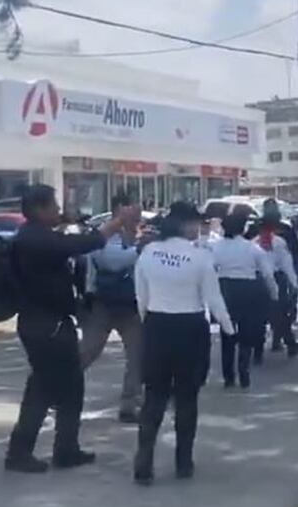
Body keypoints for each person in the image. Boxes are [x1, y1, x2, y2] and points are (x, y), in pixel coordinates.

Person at [5, 185, 133, 474]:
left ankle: (65, 448)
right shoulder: (35, 239)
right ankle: (21, 451)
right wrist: (115, 223)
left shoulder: (34, 236)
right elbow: (82, 245)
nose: (58, 210)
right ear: (39, 209)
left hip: (49, 323)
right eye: (53, 205)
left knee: (69, 386)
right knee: (43, 388)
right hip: (46, 325)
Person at [133, 202, 235, 485]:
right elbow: (213, 299)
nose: (199, 229)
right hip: (190, 327)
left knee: (154, 396)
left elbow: (141, 296)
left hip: (157, 325)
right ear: (185, 224)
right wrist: (228, 329)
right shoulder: (199, 257)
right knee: (187, 398)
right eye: (196, 224)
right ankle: (183, 461)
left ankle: (143, 463)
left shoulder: (149, 253)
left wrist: (149, 321)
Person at [80, 194, 143, 423]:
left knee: (137, 356)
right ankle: (59, 392)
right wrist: (140, 250)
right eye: (133, 212)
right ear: (119, 209)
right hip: (102, 302)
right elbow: (111, 261)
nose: (137, 217)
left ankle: (130, 404)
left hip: (130, 304)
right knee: (87, 352)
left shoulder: (135, 234)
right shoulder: (104, 232)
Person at [211, 212, 278, 389]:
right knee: (247, 333)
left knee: (227, 331)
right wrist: (274, 293)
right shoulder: (252, 248)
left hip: (225, 288)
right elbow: (267, 274)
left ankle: (228, 376)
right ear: (244, 228)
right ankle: (244, 370)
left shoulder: (215, 247)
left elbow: (209, 270)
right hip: (249, 289)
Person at [257, 212, 298, 357]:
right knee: (280, 314)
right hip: (276, 278)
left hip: (258, 280)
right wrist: (293, 282)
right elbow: (287, 264)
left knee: (263, 315)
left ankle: (262, 347)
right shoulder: (279, 242)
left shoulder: (254, 243)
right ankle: (289, 344)